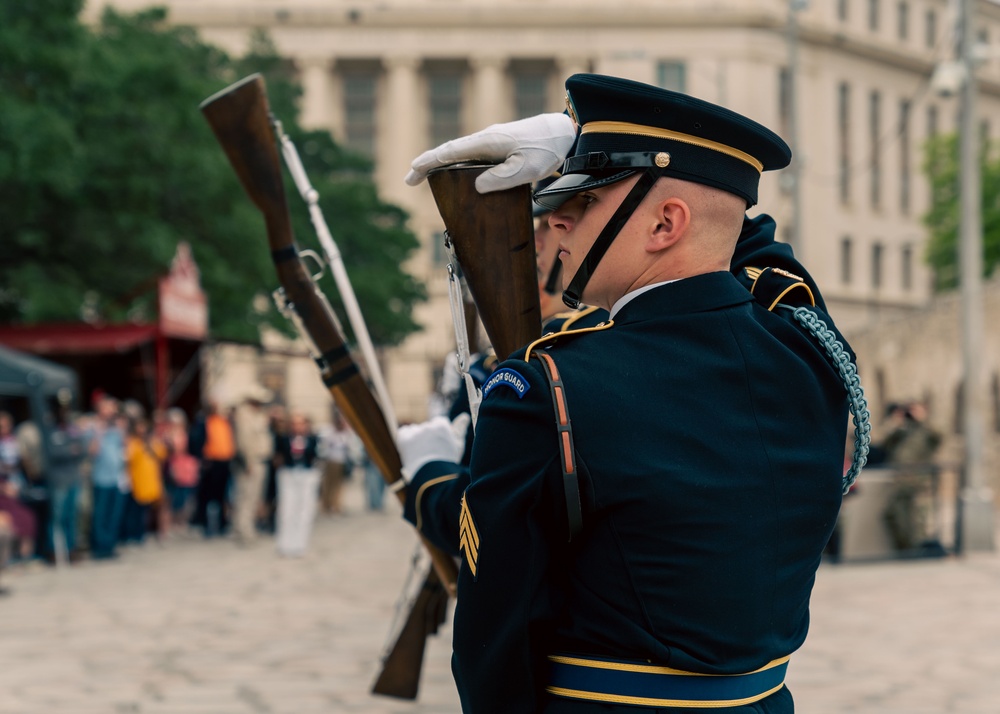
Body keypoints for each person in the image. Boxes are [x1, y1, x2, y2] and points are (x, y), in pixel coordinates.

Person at [398, 74, 857, 713]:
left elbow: (494, 639)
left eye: (583, 200)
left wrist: (426, 481)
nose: (556, 219)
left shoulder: (546, 387)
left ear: (666, 223)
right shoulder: (810, 351)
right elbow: (748, 242)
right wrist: (594, 150)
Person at [880, 401, 942, 552]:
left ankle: (917, 551)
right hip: (899, 482)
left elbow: (939, 436)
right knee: (893, 515)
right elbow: (883, 445)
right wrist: (895, 423)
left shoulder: (926, 432)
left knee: (917, 521)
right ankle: (905, 550)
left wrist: (922, 419)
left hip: (918, 483)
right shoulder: (902, 431)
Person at [273, 412, 320, 557]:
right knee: (287, 509)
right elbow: (278, 456)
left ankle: (300, 544)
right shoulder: (283, 438)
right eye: (295, 423)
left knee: (304, 510)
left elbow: (315, 456)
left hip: (306, 474)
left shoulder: (312, 439)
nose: (298, 427)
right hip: (289, 474)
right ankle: (286, 544)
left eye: (301, 423)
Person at [232, 385, 274, 544]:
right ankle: (245, 531)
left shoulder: (257, 414)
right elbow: (244, 441)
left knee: (251, 497)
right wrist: (248, 461)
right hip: (252, 461)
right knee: (247, 497)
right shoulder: (244, 415)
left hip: (259, 460)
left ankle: (242, 528)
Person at [47, 404, 87, 563]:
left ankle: (71, 549)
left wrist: (71, 450)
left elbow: (82, 450)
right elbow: (52, 452)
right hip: (58, 480)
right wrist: (70, 450)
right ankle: (54, 551)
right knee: (57, 517)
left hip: (73, 479)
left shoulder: (73, 430)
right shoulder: (51, 432)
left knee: (72, 516)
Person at [190, 400, 236, 537]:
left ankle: (222, 525)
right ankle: (206, 525)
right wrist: (202, 458)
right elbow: (196, 441)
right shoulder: (204, 422)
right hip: (211, 463)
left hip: (225, 462)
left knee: (222, 496)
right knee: (208, 496)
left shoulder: (225, 422)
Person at [88, 396, 126, 559]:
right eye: (108, 408)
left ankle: (110, 545)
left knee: (114, 514)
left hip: (117, 478)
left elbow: (125, 450)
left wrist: (122, 431)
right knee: (101, 514)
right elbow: (92, 452)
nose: (112, 412)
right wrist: (99, 432)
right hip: (101, 478)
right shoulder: (92, 428)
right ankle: (99, 547)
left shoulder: (118, 428)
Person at [121, 416, 167, 544]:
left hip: (151, 481)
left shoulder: (152, 442)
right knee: (135, 512)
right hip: (137, 481)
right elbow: (128, 459)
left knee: (147, 511)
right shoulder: (133, 442)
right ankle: (133, 535)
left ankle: (144, 533)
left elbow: (162, 454)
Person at [0, 411, 37, 563]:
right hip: (3, 489)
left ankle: (23, 556)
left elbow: (22, 463)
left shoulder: (15, 441)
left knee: (27, 517)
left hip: (15, 484)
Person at [163, 408, 199, 532]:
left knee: (186, 495)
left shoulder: (186, 433)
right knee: (174, 496)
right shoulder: (166, 434)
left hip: (185, 466)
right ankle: (172, 523)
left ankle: (181, 522)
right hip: (173, 465)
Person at [316, 410, 352, 516]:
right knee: (328, 484)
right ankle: (326, 504)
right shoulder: (329, 432)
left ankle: (336, 505)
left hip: (341, 461)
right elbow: (324, 446)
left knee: (338, 485)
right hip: (331, 461)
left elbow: (349, 446)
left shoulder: (346, 433)